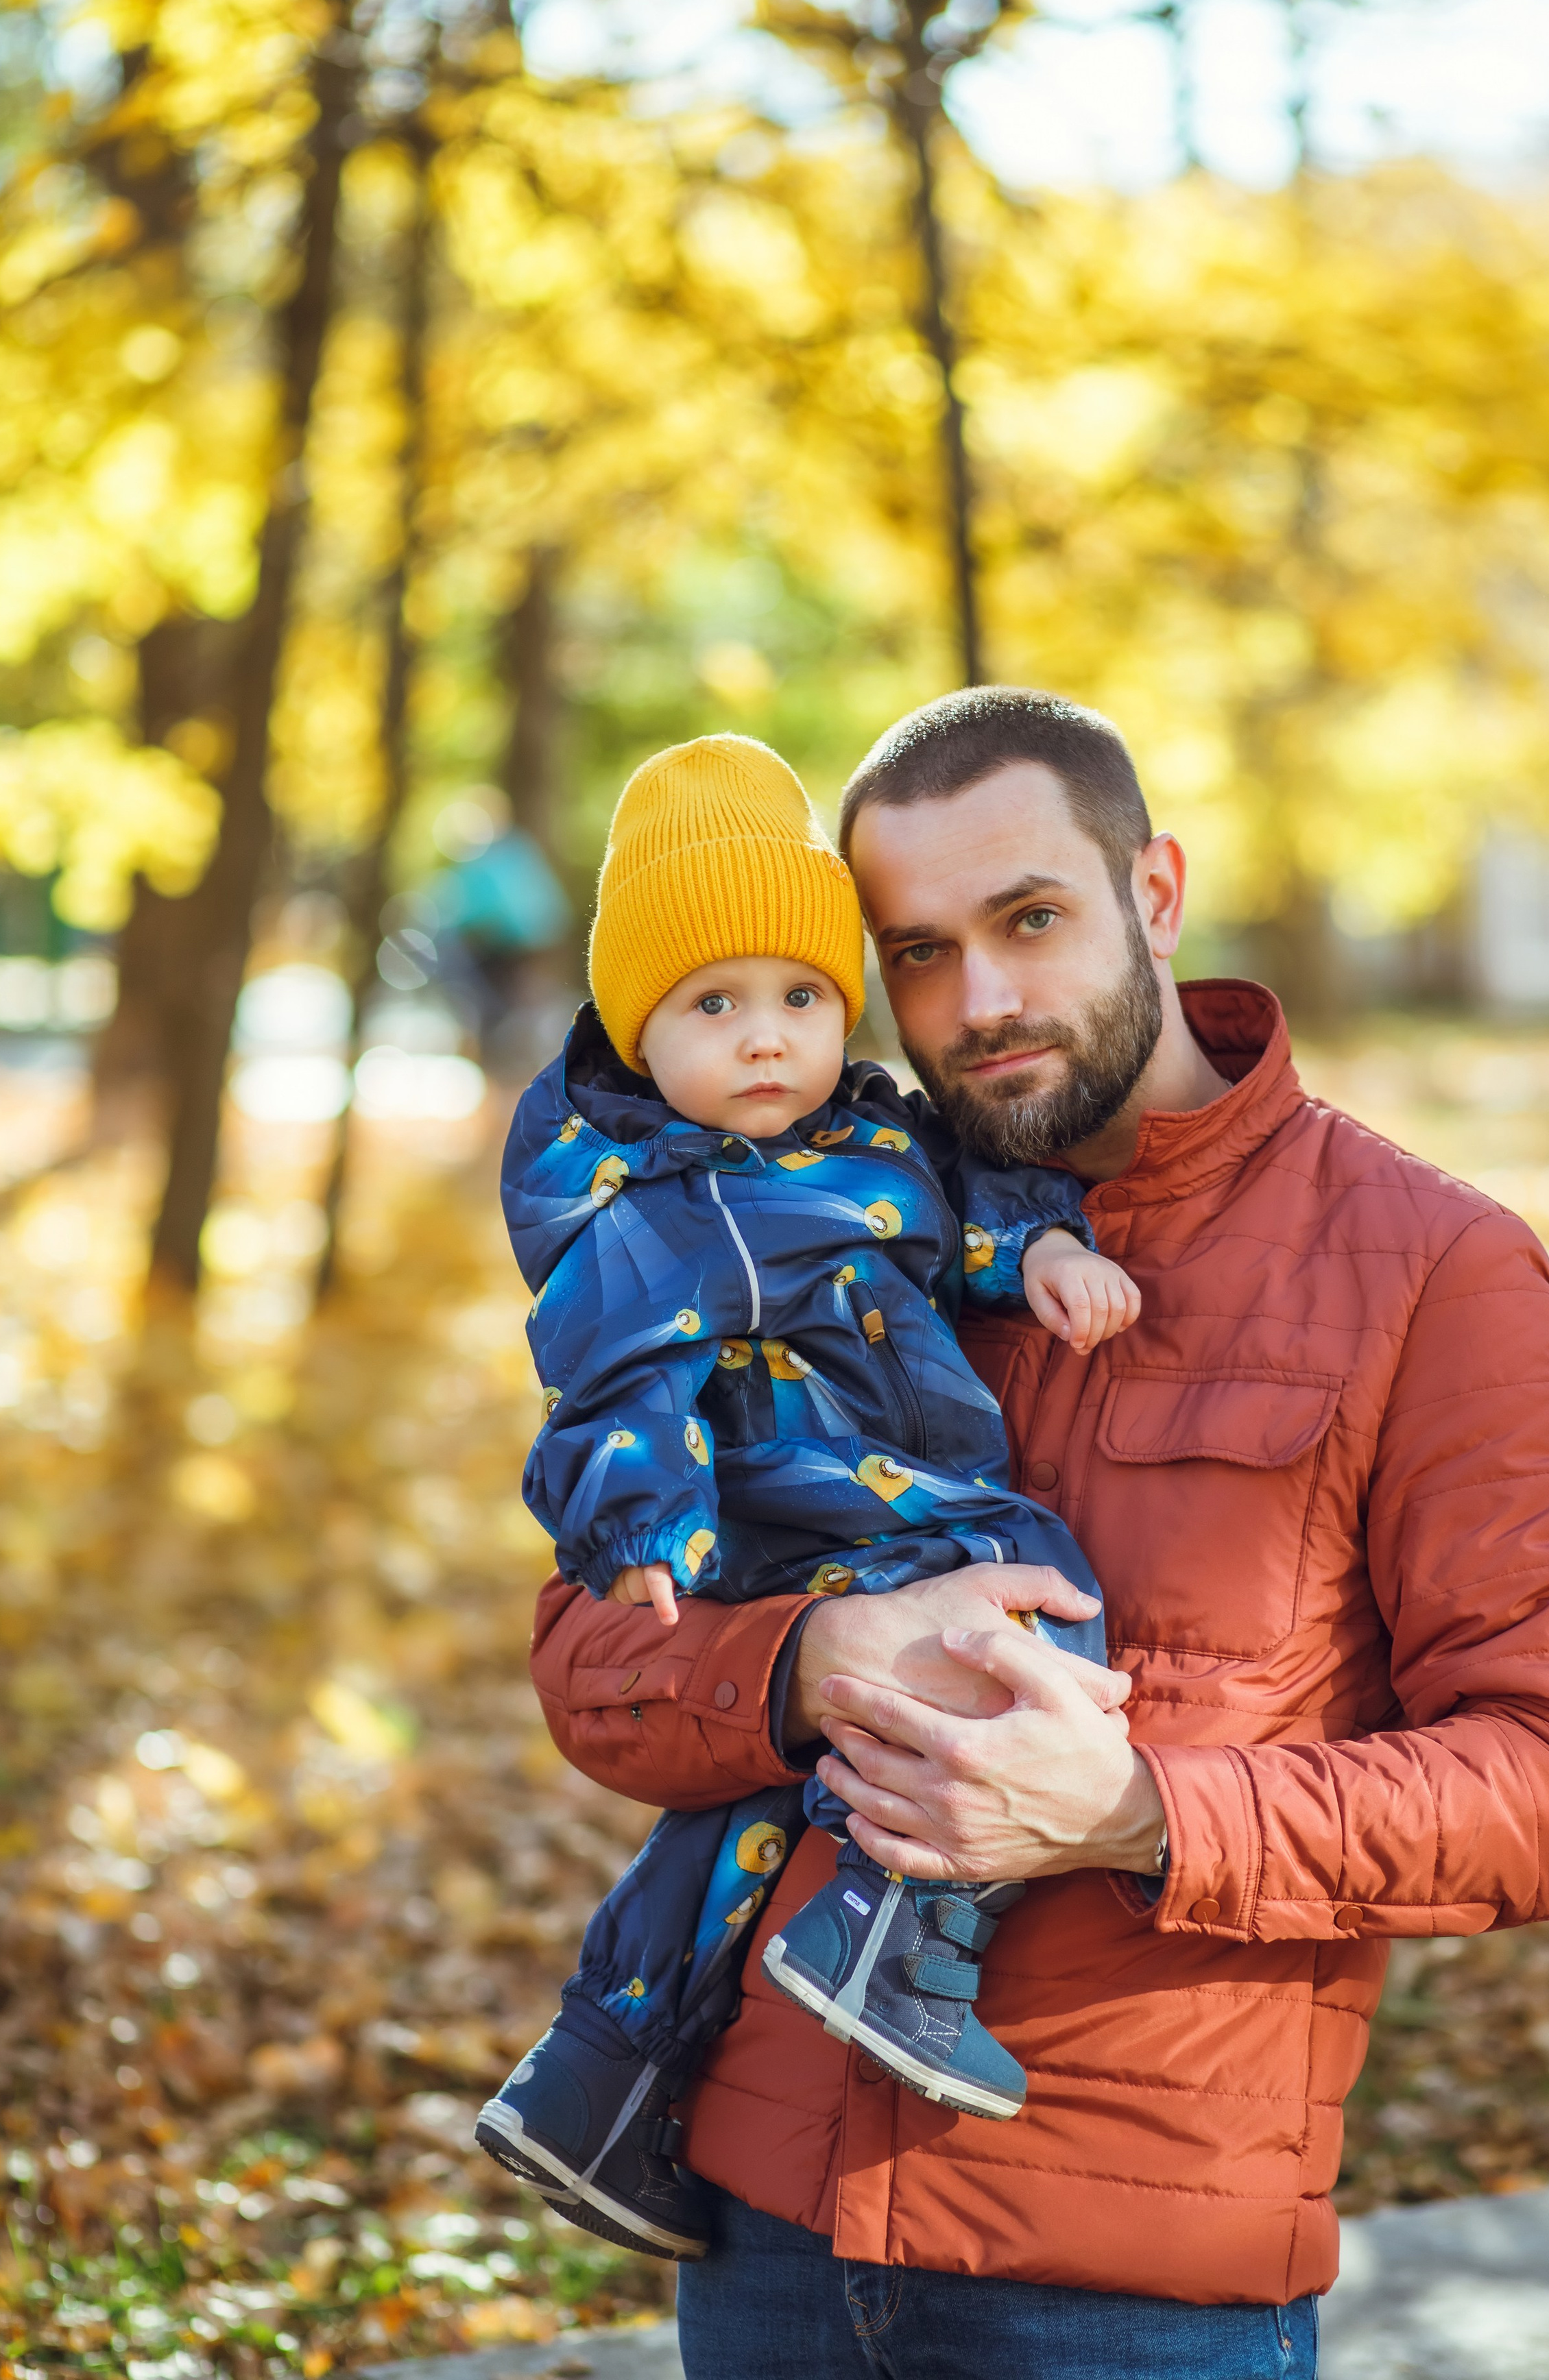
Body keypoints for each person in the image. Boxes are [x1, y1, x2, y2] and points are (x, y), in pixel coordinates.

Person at [529, 688, 1549, 2380]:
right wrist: (805, 1664)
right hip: (763, 2241)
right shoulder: (820, 1210)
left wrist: (1137, 1814)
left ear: (1154, 893)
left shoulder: (1428, 1269)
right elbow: (588, 1667)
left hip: (1123, 2291)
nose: (976, 1004)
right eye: (913, 953)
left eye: (1031, 920)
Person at [475, 733, 1142, 2260]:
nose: (766, 1039)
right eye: (712, 1006)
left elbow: (958, 1222)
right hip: (807, 1508)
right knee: (1043, 1597)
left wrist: (1036, 1254)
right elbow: (610, 1375)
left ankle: (593, 2084)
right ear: (641, 1036)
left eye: (799, 997)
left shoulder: (874, 1133)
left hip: (885, 1487)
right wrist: (642, 1523)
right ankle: (900, 1933)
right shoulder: (665, 1202)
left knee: (744, 1823)